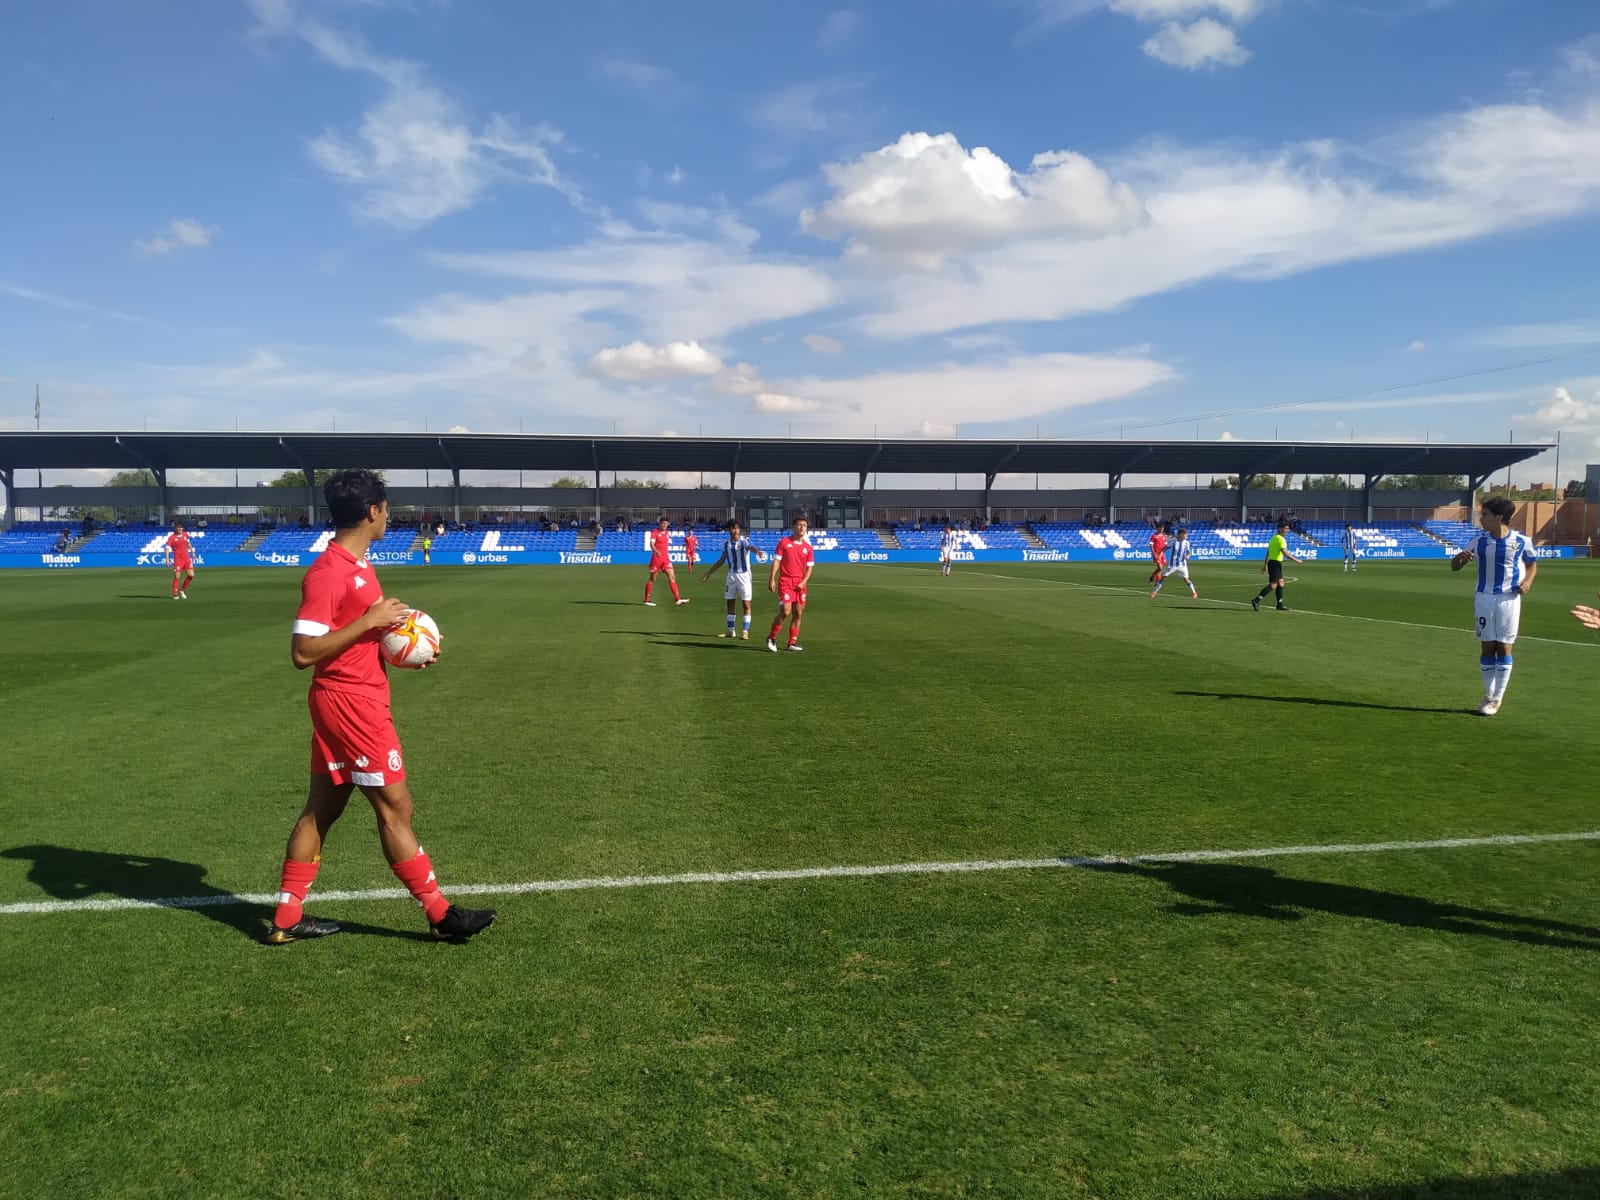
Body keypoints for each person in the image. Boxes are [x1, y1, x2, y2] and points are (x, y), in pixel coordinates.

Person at [266, 468, 494, 944]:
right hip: (352, 705)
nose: (388, 516)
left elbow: (364, 633)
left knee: (321, 809)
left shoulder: (360, 566)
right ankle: (440, 914)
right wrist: (371, 619)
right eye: (387, 509)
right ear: (373, 511)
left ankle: (286, 918)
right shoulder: (329, 573)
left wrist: (410, 645)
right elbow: (303, 653)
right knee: (396, 807)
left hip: (353, 696)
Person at [1450, 496, 1538, 716]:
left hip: (1509, 599)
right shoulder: (1479, 541)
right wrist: (1459, 559)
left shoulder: (1521, 541)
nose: (1481, 519)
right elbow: (1455, 567)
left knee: (1505, 646)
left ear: (1499, 517)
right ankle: (1488, 696)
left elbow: (1531, 564)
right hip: (1484, 598)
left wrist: (1527, 582)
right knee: (1487, 646)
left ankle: (1497, 698)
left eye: (1485, 515)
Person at [701, 519, 767, 639]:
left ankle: (745, 631)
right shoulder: (726, 544)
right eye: (733, 528)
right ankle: (731, 631)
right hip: (731, 576)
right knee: (730, 603)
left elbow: (751, 547)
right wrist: (709, 573)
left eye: (737, 528)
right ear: (729, 530)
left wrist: (757, 552)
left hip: (744, 576)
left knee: (746, 604)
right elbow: (721, 560)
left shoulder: (744, 542)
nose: (736, 530)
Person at [766, 516, 815, 652]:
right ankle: (771, 638)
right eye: (799, 525)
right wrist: (772, 579)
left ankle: (791, 643)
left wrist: (803, 582)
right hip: (786, 581)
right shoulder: (784, 542)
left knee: (798, 613)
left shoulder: (808, 548)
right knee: (786, 612)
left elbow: (809, 568)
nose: (801, 528)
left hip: (800, 583)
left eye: (804, 525)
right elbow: (776, 561)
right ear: (793, 527)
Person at [1251, 520, 1301, 611]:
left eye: (1288, 529)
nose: (1287, 530)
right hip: (1275, 564)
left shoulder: (1273, 538)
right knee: (1273, 585)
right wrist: (1296, 560)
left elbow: (1268, 552)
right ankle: (1256, 600)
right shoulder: (1281, 539)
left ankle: (1279, 604)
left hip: (1273, 563)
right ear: (1280, 529)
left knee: (1281, 583)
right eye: (1286, 528)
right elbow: (1285, 553)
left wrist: (1265, 564)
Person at [643, 516, 688, 607]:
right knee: (652, 579)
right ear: (659, 524)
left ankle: (677, 599)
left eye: (666, 524)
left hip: (666, 558)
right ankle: (646, 600)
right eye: (663, 523)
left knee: (672, 576)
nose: (664, 525)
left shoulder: (667, 533)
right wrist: (656, 551)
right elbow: (651, 544)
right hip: (656, 558)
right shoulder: (655, 533)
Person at [1150, 527, 1199, 600]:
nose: (1186, 536)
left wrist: (1188, 556)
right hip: (1172, 564)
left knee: (1186, 579)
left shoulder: (1186, 543)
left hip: (1182, 564)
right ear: (1181, 534)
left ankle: (1194, 593)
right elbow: (1164, 549)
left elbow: (1189, 552)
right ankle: (1154, 592)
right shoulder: (1173, 541)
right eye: (1185, 534)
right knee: (1164, 578)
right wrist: (1159, 556)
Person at [165, 520, 196, 600]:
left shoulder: (185, 534)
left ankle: (182, 590)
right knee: (177, 576)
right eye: (178, 527)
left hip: (186, 558)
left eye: (181, 527)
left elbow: (188, 543)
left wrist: (192, 552)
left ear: (182, 528)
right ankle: (175, 594)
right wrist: (167, 559)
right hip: (178, 559)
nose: (179, 529)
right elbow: (167, 548)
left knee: (191, 575)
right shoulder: (172, 537)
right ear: (176, 528)